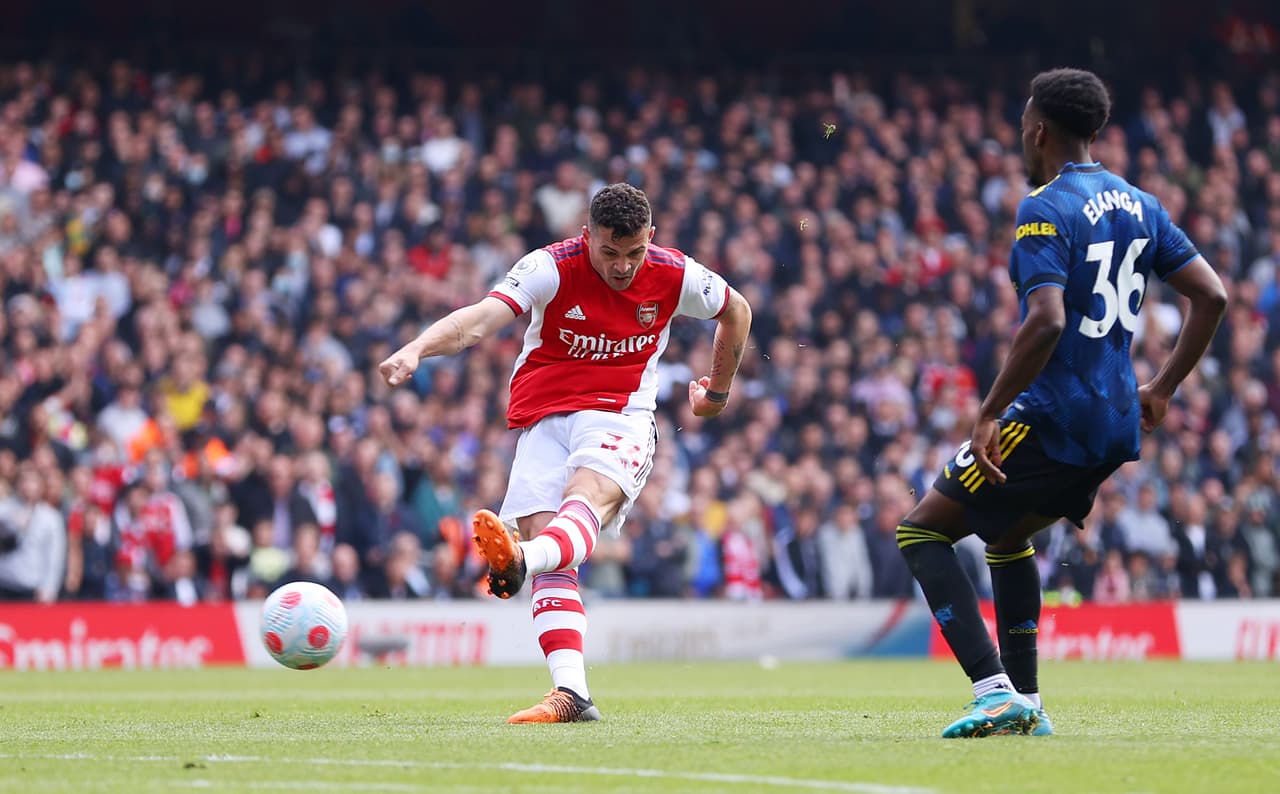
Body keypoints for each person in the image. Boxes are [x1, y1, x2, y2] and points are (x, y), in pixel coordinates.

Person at [895, 68, 1226, 738]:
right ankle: (1028, 703)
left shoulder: (1044, 207)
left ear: (1039, 129)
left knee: (922, 531)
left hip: (1054, 414)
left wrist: (989, 410)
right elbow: (1213, 296)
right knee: (1009, 535)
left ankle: (992, 690)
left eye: (1023, 127)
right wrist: (1161, 387)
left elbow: (1044, 321)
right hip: (1116, 421)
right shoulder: (1141, 203)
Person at [380, 183, 752, 722]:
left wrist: (717, 393)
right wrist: (416, 348)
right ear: (587, 237)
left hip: (620, 414)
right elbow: (477, 321)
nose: (623, 266)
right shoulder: (549, 268)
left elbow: (736, 310)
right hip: (544, 420)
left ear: (651, 237)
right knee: (552, 546)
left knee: (580, 507)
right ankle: (572, 694)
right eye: (609, 252)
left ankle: (521, 560)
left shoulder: (676, 274)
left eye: (634, 253)